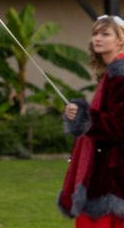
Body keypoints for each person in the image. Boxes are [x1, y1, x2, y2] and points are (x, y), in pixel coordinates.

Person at [59, 15, 124, 227]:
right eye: (95, 33)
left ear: (120, 40)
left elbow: (120, 125)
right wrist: (78, 115)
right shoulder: (112, 71)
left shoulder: (120, 72)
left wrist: (85, 117)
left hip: (114, 173)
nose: (98, 38)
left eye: (105, 34)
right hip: (107, 169)